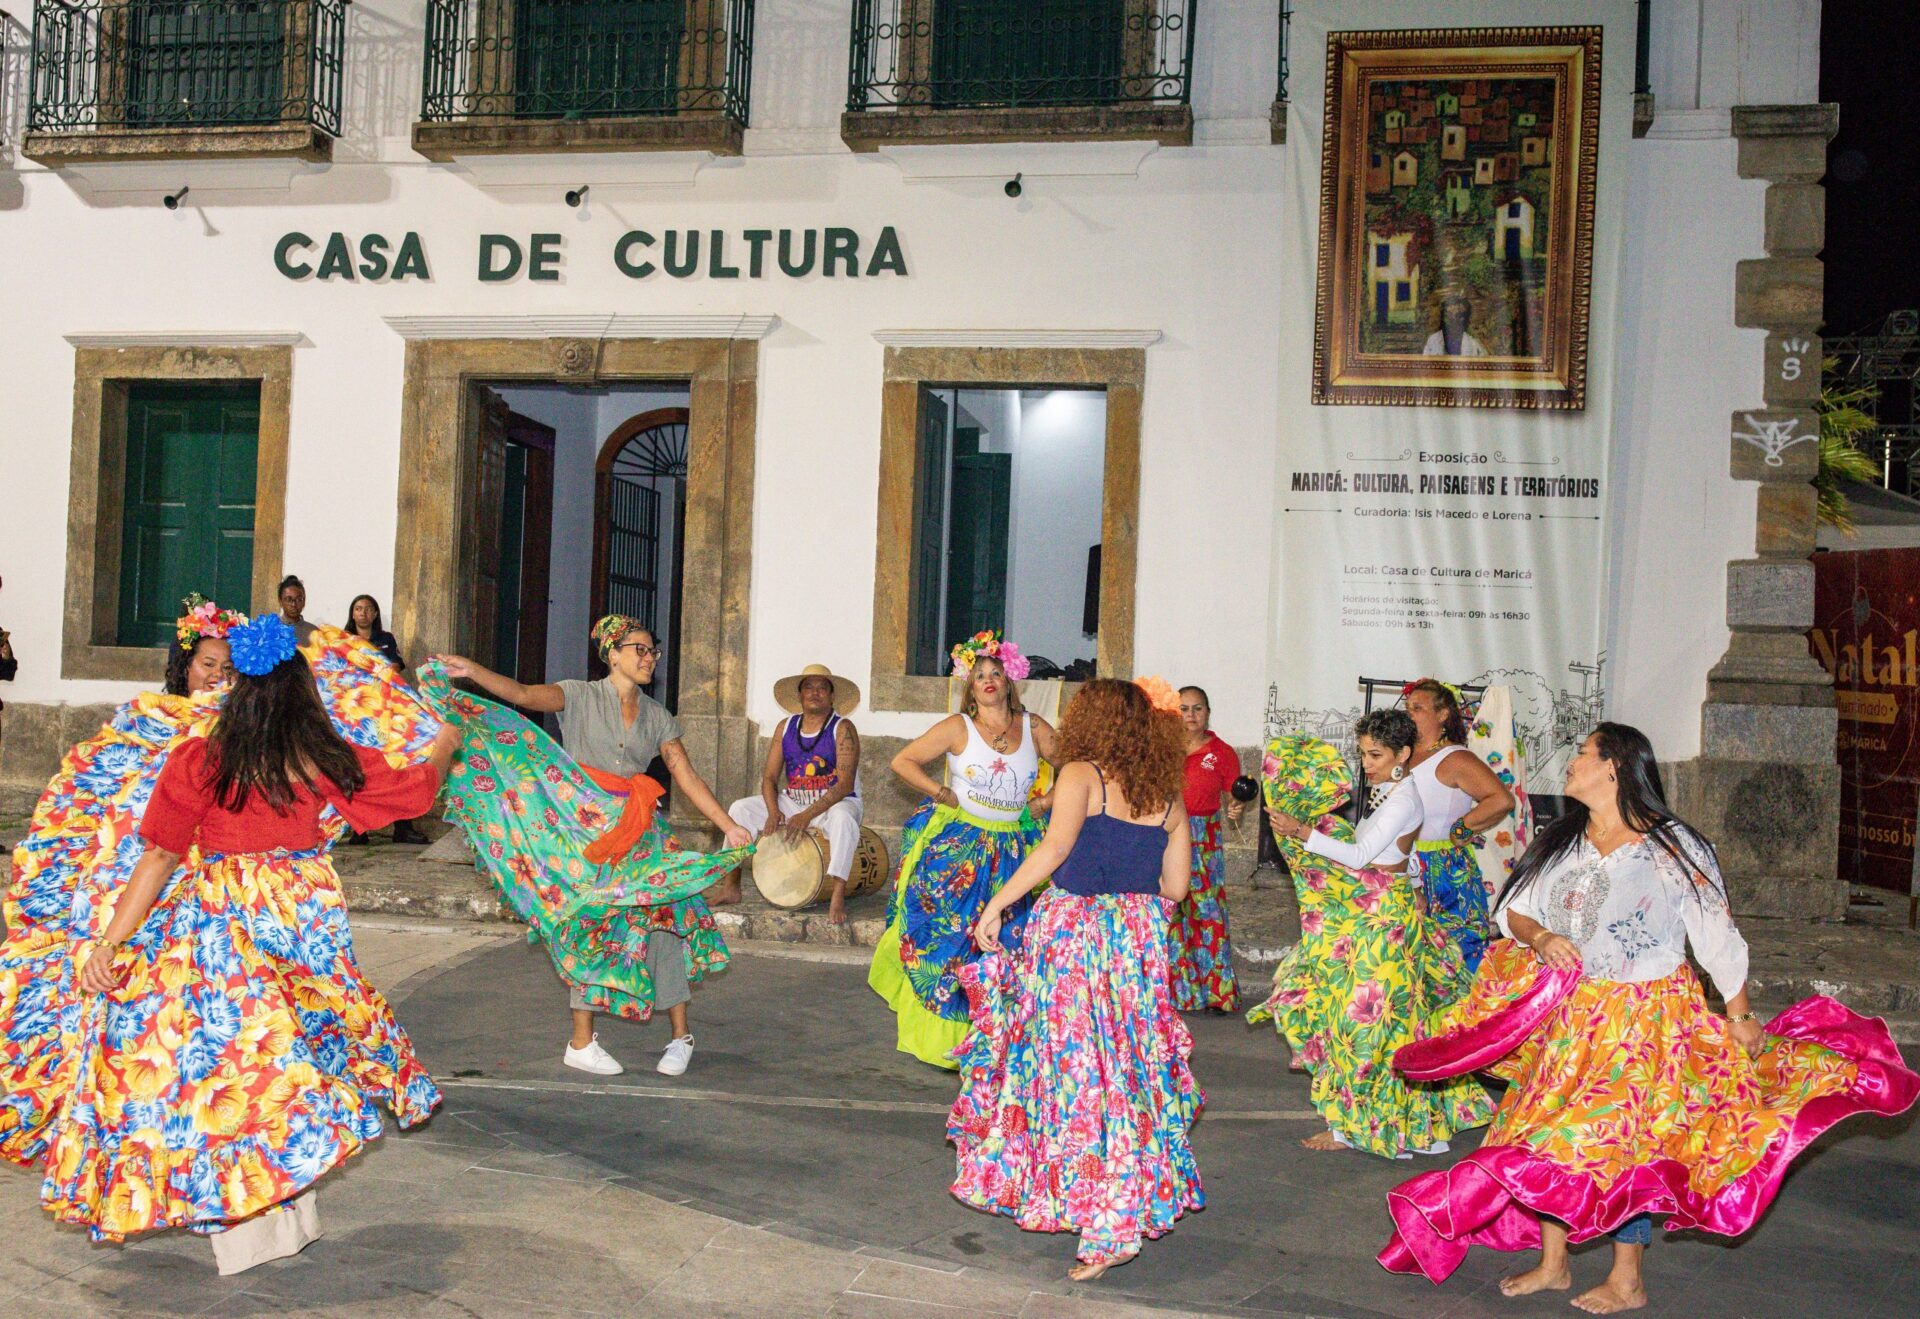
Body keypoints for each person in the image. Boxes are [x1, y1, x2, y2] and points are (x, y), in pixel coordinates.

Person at [1378, 724, 1920, 1314]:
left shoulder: (1673, 845)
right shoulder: (1565, 837)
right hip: (1572, 1015)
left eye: (1582, 753)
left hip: (1649, 1018)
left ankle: (1627, 1279)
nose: (1571, 763)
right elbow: (1514, 910)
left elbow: (1715, 931)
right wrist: (1543, 936)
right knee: (1540, 1136)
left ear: (1614, 766)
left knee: (1617, 1141)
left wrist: (1738, 1013)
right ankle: (1554, 1264)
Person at [61, 613, 459, 1270]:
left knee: (232, 1070)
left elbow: (159, 857)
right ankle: (285, 1210)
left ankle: (253, 1217)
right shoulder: (318, 754)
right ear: (299, 689)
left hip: (220, 929)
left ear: (239, 688)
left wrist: (109, 940)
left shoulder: (200, 759)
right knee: (295, 1061)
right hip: (301, 921)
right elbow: (412, 788)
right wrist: (444, 741)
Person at [949, 677, 1202, 1281]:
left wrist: (996, 905)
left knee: (1079, 1075)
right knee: (1128, 1074)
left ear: (1092, 722)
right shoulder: (1167, 793)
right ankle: (1120, 1206)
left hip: (1076, 943)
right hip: (1136, 945)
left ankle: (1101, 1216)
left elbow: (1054, 849)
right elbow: (1177, 889)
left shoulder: (1081, 774)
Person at [435, 615, 751, 1078]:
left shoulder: (657, 715)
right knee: (591, 925)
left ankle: (680, 1036)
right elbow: (522, 695)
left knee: (666, 914)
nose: (649, 659)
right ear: (613, 653)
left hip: (640, 830)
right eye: (640, 650)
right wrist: (473, 672)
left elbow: (684, 773)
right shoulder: (578, 695)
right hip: (585, 833)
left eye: (652, 652)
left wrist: (729, 824)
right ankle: (581, 1042)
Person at [1254, 712, 1495, 1156]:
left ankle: (1358, 1128)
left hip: (1380, 921)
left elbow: (1363, 854)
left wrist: (1303, 832)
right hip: (1381, 911)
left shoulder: (1402, 798)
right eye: (1363, 752)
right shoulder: (1393, 793)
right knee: (1385, 1023)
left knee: (1366, 1022)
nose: (1365, 763)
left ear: (1402, 754)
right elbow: (1397, 853)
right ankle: (1386, 1125)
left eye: (1375, 754)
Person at [867, 635, 1057, 1069]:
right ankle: (950, 1041)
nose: (988, 681)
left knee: (1010, 942)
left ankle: (1002, 1039)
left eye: (996, 674)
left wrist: (1045, 803)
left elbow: (1079, 767)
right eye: (979, 676)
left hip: (1015, 849)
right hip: (961, 850)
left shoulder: (1035, 727)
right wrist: (940, 791)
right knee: (952, 942)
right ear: (969, 685)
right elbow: (903, 761)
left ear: (1010, 681)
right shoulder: (957, 728)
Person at [717, 663, 865, 923]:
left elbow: (844, 785)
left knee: (843, 819)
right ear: (799, 695)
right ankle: (731, 886)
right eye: (808, 687)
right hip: (794, 800)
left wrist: (807, 815)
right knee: (740, 809)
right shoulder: (785, 727)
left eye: (822, 688)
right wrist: (774, 811)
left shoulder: (843, 728)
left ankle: (837, 894)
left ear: (832, 696)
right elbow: (769, 777)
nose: (815, 692)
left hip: (836, 802)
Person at [1399, 679, 1513, 971]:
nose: (1409, 713)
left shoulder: (1455, 758)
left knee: (1454, 957)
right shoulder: (1403, 755)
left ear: (1442, 715)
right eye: (1407, 708)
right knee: (1407, 958)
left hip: (1441, 869)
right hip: (1401, 865)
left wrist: (1461, 829)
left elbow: (1501, 799)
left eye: (1418, 708)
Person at [1170, 685, 1243, 1011]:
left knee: (1208, 910)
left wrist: (1236, 806)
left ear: (1208, 712)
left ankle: (1217, 994)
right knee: (1171, 910)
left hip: (1205, 835)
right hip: (1168, 834)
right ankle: (1176, 993)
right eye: (1184, 709)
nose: (1191, 715)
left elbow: (1235, 794)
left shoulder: (1222, 753)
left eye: (1197, 708)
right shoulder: (1163, 749)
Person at [342, 594, 428, 845]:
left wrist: (376, 672)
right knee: (359, 768)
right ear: (352, 613)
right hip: (356, 714)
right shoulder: (345, 639)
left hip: (386, 712)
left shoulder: (385, 639)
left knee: (396, 765)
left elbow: (396, 668)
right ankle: (360, 829)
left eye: (368, 609)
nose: (363, 613)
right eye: (358, 609)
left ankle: (403, 827)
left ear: (375, 613)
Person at [163, 596, 243, 697]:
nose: (218, 673)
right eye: (209, 664)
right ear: (186, 668)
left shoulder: (242, 712)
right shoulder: (158, 710)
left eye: (227, 667)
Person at [1422, 294, 1488, 356]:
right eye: (1449, 315)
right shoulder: (1432, 341)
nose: (1453, 320)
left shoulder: (1474, 344)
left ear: (1464, 318)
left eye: (1458, 316)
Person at [278, 574, 317, 647]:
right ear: (280, 601)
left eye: (299, 599)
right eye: (288, 599)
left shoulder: (313, 633)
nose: (293, 604)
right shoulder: (271, 630)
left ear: (304, 601)